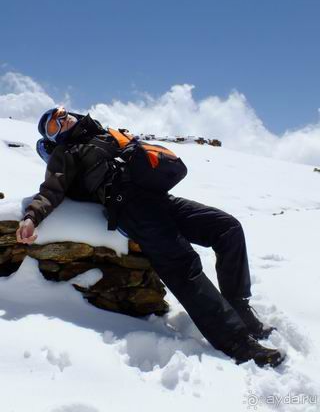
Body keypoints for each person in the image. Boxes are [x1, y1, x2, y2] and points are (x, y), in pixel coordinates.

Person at [16, 106, 285, 368]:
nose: (62, 121)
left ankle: (238, 307)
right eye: (54, 125)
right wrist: (31, 217)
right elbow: (50, 191)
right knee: (183, 265)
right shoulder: (66, 153)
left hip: (160, 200)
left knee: (227, 228)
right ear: (54, 138)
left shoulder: (105, 135)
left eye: (62, 115)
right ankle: (238, 343)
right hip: (132, 210)